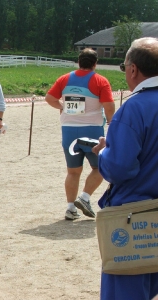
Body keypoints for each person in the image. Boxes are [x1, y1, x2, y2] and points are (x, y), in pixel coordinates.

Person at [91, 37, 158, 300]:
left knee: (124, 291)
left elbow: (119, 169)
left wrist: (106, 151)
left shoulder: (134, 107)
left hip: (134, 217)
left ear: (133, 69)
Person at [45, 48, 115, 221]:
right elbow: (108, 105)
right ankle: (84, 197)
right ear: (95, 63)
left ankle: (70, 208)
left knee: (73, 171)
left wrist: (63, 107)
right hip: (92, 130)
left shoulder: (65, 78)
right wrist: (111, 122)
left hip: (68, 129)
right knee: (100, 168)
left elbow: (49, 98)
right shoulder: (100, 80)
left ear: (78, 61)